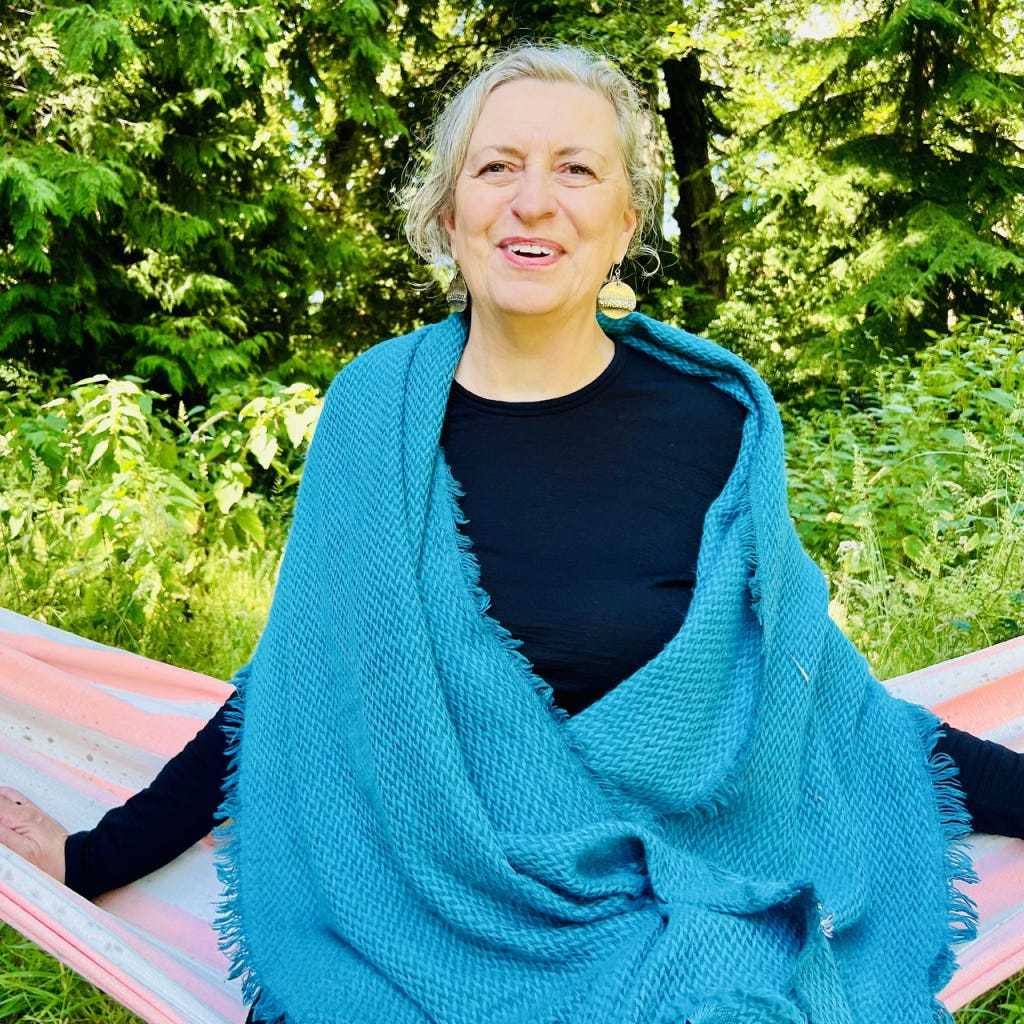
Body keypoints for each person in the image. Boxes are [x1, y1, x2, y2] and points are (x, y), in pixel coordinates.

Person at [1, 42, 1022, 1024]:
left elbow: (817, 702)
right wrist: (92, 857)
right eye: (497, 167)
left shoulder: (714, 423)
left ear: (624, 224)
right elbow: (302, 686)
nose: (533, 200)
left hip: (673, 913)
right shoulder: (375, 417)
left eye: (575, 169)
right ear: (448, 213)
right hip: (417, 920)